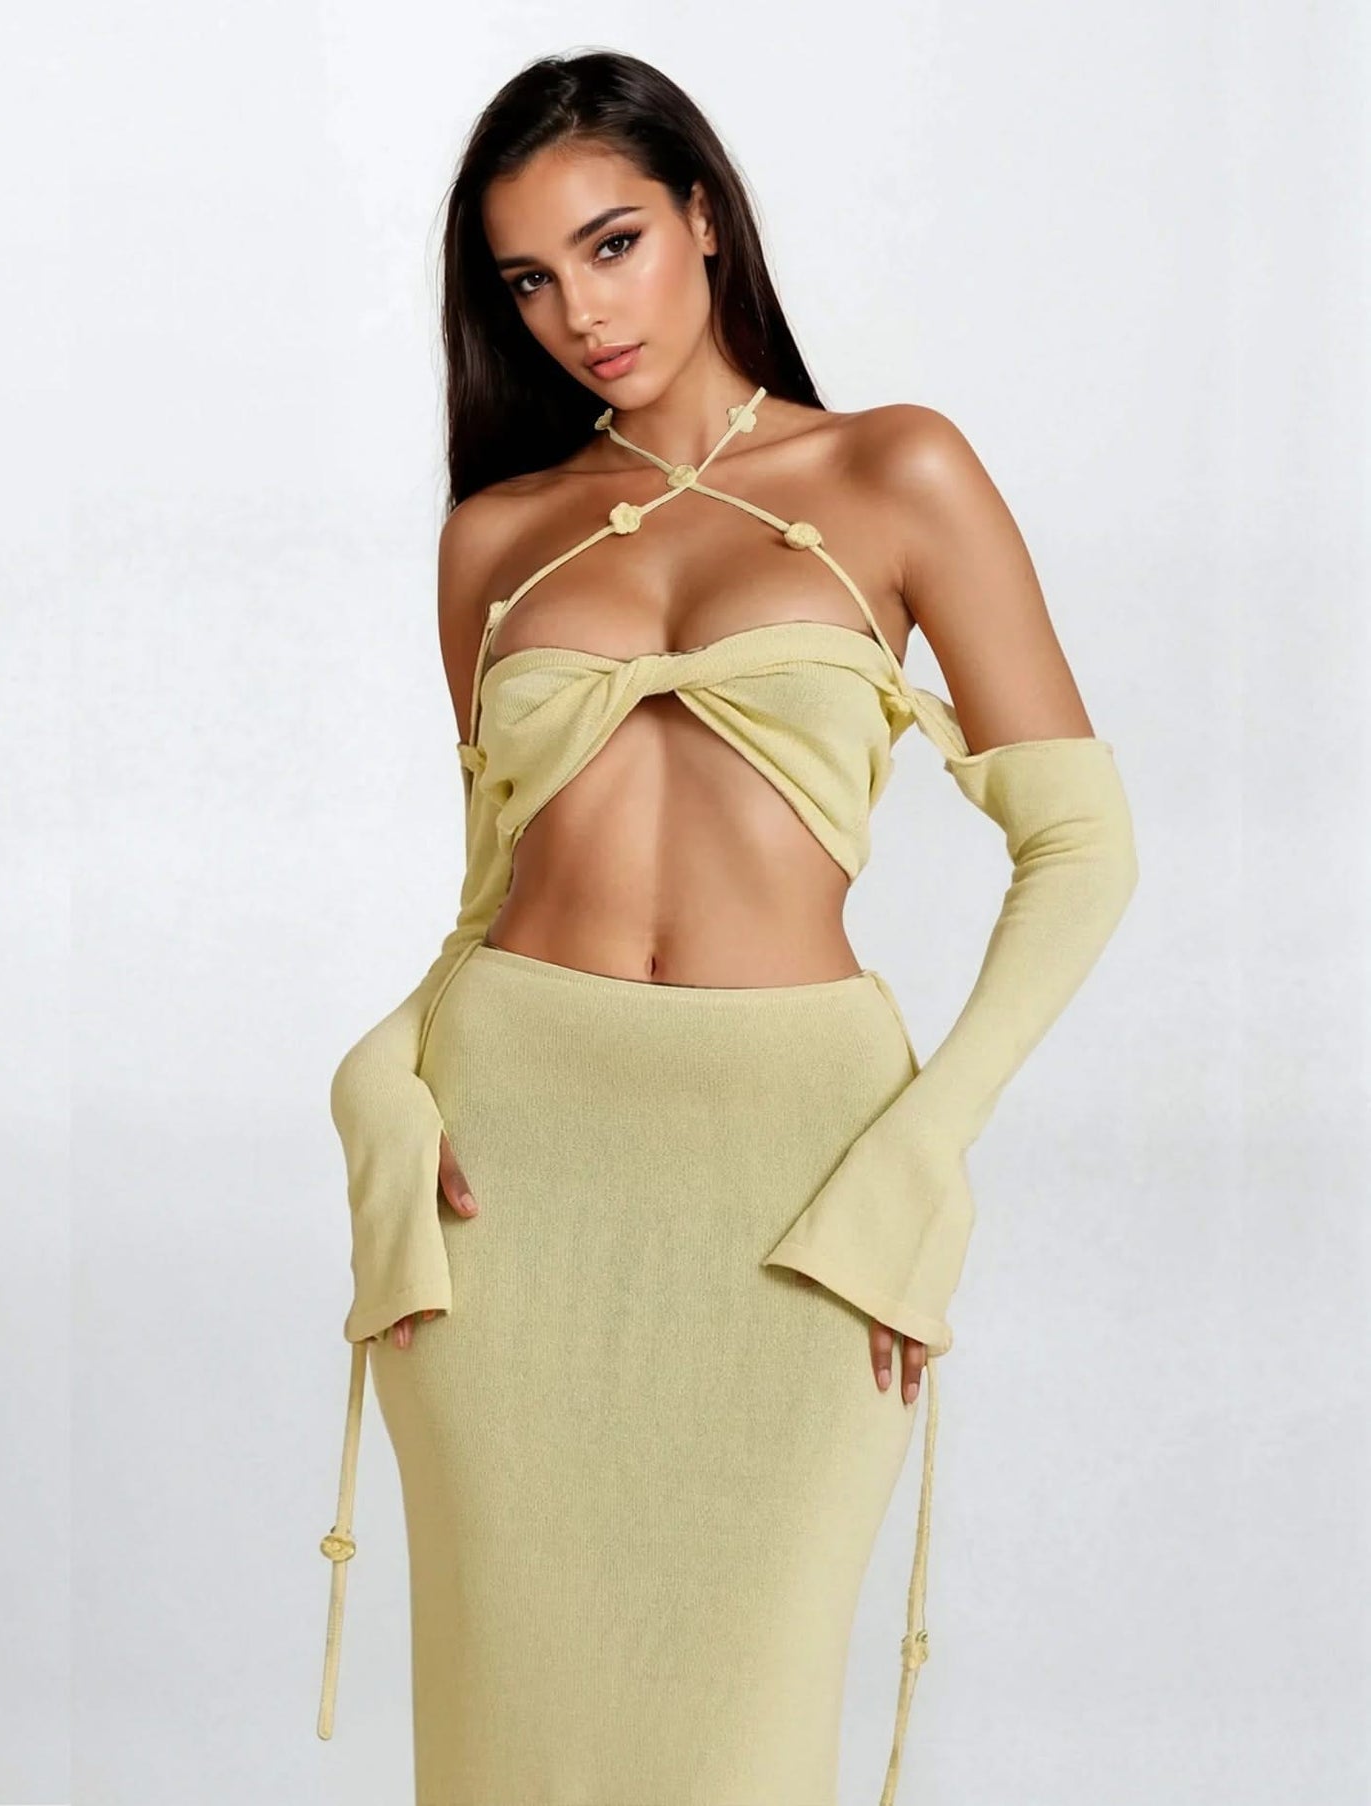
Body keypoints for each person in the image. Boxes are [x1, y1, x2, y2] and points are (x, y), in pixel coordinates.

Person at [315, 48, 1138, 1806]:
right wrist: (371, 1077)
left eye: (609, 244)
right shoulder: (493, 539)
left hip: (800, 1176)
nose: (578, 314)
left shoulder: (897, 470)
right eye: (527, 280)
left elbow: (1080, 845)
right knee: (513, 1726)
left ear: (702, 215)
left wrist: (923, 1142)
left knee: (743, 1731)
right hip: (507, 1179)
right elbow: (487, 899)